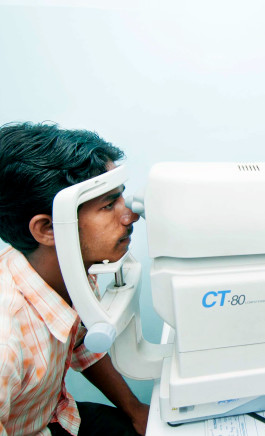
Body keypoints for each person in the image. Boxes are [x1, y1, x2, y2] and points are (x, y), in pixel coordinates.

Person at [0, 122, 149, 435]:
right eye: (108, 205)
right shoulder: (6, 338)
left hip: (56, 414)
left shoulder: (73, 269)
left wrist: (136, 411)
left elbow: (81, 341)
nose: (129, 215)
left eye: (120, 198)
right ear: (49, 229)